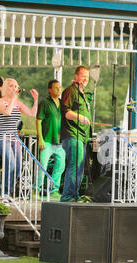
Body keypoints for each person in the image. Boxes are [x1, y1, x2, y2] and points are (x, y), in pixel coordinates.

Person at [0, 78, 38, 197]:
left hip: (14, 138)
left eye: (16, 86)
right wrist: (13, 98)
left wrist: (36, 100)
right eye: (11, 86)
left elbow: (32, 114)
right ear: (5, 88)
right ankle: (4, 192)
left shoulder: (18, 103)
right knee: (11, 164)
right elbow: (7, 112)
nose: (14, 88)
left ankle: (8, 191)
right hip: (2, 137)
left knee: (18, 166)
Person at [60, 66, 92, 202]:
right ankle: (68, 197)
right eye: (83, 76)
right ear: (76, 76)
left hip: (82, 136)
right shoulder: (70, 91)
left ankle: (74, 195)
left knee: (79, 167)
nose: (85, 79)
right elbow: (66, 112)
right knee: (74, 166)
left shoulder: (82, 93)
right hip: (73, 135)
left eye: (87, 77)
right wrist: (80, 117)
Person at [36, 79, 66, 198]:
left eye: (59, 87)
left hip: (60, 141)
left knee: (60, 165)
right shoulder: (44, 103)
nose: (59, 89)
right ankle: (36, 190)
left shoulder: (63, 104)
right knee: (42, 165)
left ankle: (54, 189)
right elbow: (38, 121)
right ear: (49, 90)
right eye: (56, 87)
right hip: (47, 140)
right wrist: (41, 139)